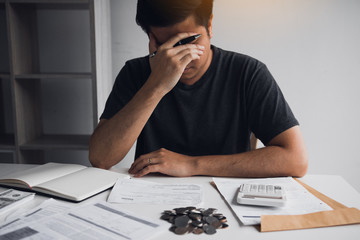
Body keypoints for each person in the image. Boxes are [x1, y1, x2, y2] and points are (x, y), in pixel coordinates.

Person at [89, 0, 308, 178]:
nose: (181, 58)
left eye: (190, 41)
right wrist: (156, 85)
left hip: (227, 202)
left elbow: (295, 159)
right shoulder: (135, 72)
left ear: (210, 25)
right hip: (153, 202)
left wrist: (191, 165)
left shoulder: (248, 73)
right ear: (151, 39)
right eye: (168, 46)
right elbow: (101, 158)